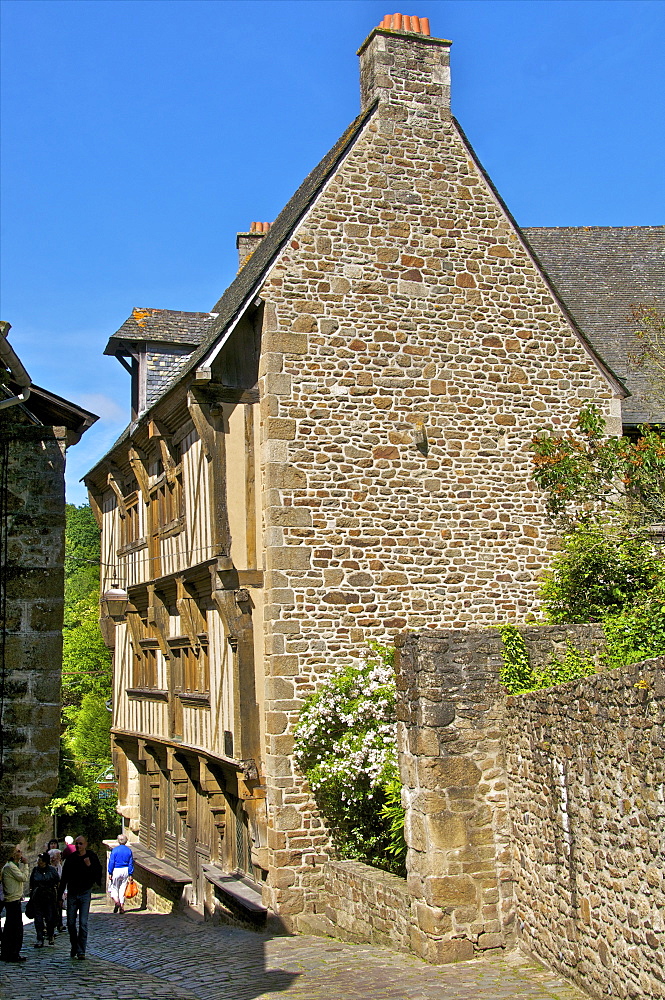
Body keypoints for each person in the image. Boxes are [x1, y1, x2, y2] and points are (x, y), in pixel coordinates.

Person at [57, 834, 102, 960]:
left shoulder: (91, 857)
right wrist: (60, 897)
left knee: (83, 923)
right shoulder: (71, 859)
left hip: (84, 893)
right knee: (71, 923)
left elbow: (97, 874)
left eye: (81, 844)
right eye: (77, 844)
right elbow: (64, 878)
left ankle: (81, 950)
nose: (78, 846)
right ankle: (74, 945)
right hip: (72, 893)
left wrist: (89, 866)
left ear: (85, 844)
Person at [1, 845, 29, 963]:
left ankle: (8, 952)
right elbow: (23, 877)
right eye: (18, 851)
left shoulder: (12, 866)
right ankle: (12, 953)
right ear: (13, 854)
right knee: (15, 929)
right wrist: (26, 865)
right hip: (12, 900)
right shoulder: (10, 867)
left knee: (11, 927)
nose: (20, 853)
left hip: (14, 900)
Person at [29, 853, 59, 948]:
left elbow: (57, 882)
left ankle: (50, 934)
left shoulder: (52, 870)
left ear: (45, 862)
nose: (38, 862)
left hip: (49, 897)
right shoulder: (35, 870)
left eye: (40, 860)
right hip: (38, 897)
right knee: (38, 919)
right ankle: (40, 938)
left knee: (50, 917)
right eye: (38, 860)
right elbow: (32, 883)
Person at [107, 833, 134, 914]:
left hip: (116, 869)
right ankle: (122, 906)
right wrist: (130, 874)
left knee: (114, 887)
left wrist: (110, 872)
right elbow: (130, 863)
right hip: (125, 870)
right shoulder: (129, 850)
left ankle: (117, 902)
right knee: (122, 888)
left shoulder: (115, 850)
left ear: (118, 841)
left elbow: (111, 862)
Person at [47, 848, 65, 932]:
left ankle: (59, 924)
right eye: (58, 856)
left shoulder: (59, 866)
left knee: (59, 906)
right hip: (49, 891)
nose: (59, 858)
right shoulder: (48, 867)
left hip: (58, 890)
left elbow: (61, 879)